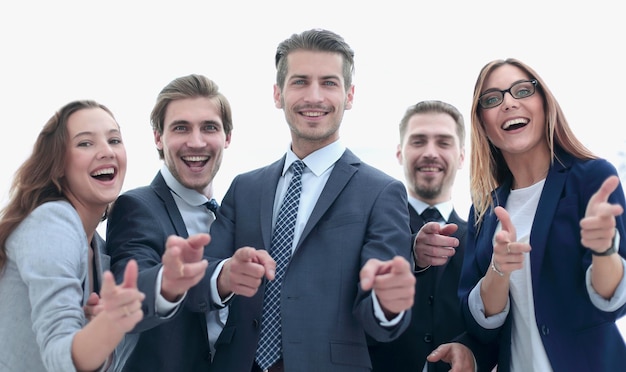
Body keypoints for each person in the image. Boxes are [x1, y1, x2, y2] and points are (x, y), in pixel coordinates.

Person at [204, 28, 416, 371]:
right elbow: (203, 277)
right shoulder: (244, 188)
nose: (314, 96)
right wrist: (225, 275)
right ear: (278, 94)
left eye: (329, 83)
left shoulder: (381, 193)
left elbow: (380, 314)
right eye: (300, 81)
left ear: (349, 96)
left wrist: (388, 302)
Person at [458, 58, 626, 371]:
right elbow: (481, 325)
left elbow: (612, 302)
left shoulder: (592, 178)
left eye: (522, 91)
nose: (508, 103)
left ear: (545, 104)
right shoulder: (483, 210)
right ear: (482, 123)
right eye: (492, 99)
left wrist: (604, 249)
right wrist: (498, 270)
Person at [0, 100, 144, 371]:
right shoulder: (53, 221)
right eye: (85, 143)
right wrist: (109, 325)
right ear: (58, 164)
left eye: (114, 140)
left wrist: (96, 331)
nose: (106, 152)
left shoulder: (97, 248)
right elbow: (59, 354)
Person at [106, 74, 232, 372]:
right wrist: (168, 284)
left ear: (227, 136)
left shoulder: (233, 213)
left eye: (209, 127)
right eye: (181, 128)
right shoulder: (136, 206)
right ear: (158, 137)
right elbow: (132, 287)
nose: (196, 141)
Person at [368, 100, 480, 372]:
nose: (430, 153)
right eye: (418, 141)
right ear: (399, 153)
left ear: (462, 156)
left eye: (443, 142)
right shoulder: (368, 229)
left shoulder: (482, 238)